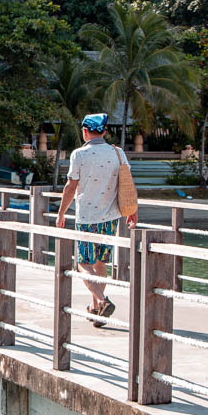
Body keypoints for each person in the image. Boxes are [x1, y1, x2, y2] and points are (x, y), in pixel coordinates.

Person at [54, 113, 137, 325]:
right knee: (100, 262)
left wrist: (62, 212)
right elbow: (127, 183)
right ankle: (96, 310)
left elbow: (70, 187)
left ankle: (101, 300)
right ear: (105, 131)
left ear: (85, 131)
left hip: (86, 218)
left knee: (83, 263)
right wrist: (132, 209)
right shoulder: (117, 153)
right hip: (111, 218)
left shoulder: (79, 155)